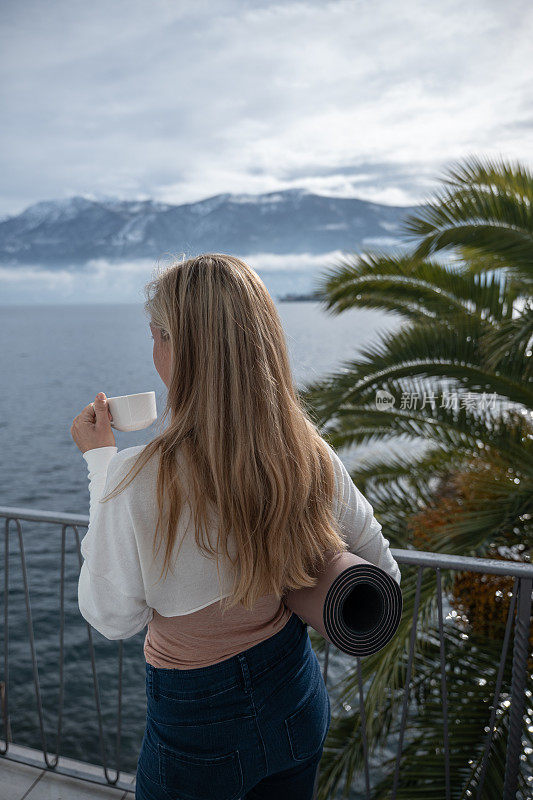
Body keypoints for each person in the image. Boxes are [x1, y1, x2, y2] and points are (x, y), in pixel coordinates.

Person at [70, 253, 401, 800]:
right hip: (294, 698)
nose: (153, 350)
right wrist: (279, 549)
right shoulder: (305, 455)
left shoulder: (137, 477)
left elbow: (112, 615)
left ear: (181, 349)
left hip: (195, 726)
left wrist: (101, 463)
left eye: (157, 335)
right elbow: (380, 571)